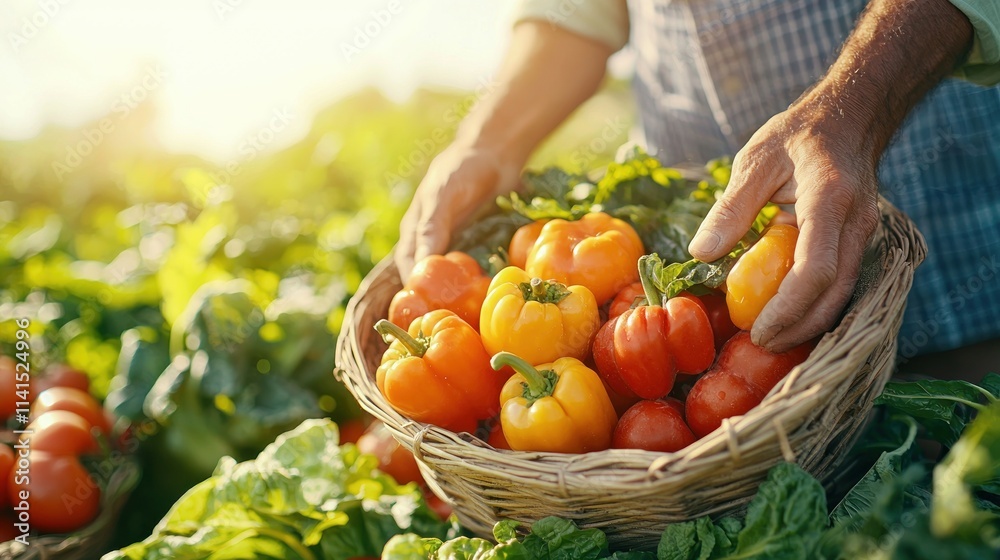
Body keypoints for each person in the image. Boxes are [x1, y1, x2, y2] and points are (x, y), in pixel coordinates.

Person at [395, 0, 1000, 378]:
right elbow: (575, 12)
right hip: (721, 344)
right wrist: (488, 142)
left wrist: (849, 111)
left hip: (954, 205)